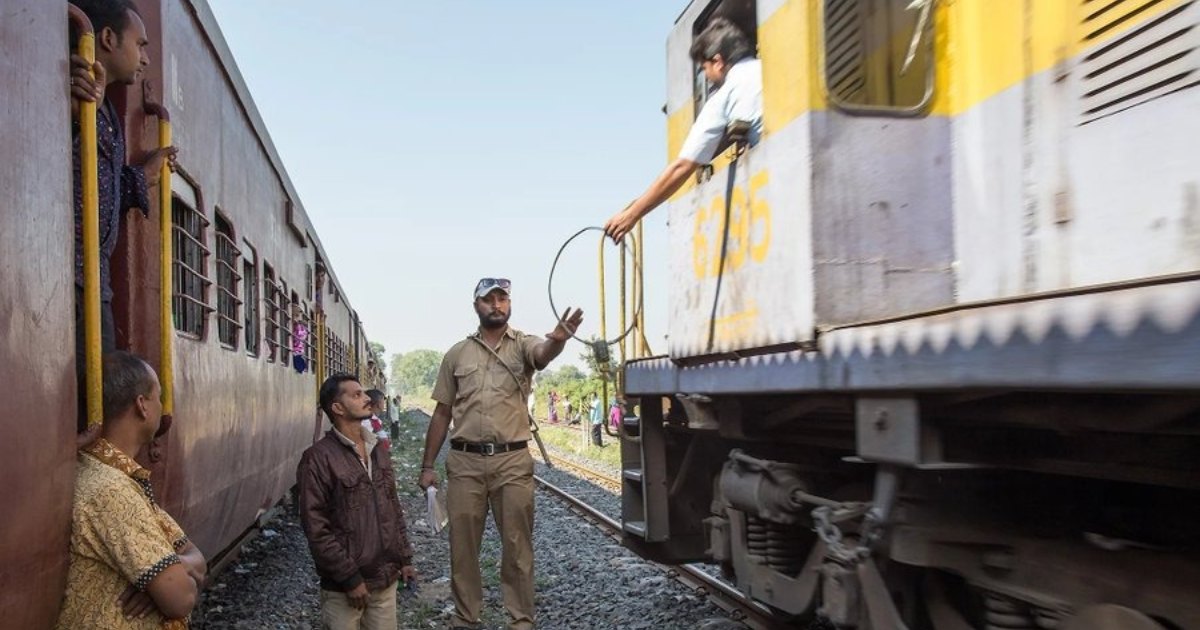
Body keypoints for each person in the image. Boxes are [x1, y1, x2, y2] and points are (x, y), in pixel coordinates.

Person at [418, 278, 583, 630]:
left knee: (517, 549)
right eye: (489, 300)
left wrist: (557, 342)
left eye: (502, 299)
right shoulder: (457, 354)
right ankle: (466, 619)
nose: (497, 305)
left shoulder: (523, 345)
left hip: (512, 461)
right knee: (463, 549)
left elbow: (541, 356)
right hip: (464, 462)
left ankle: (520, 621)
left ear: (509, 304)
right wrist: (427, 465)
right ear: (476, 305)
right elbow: (442, 413)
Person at [70, 0, 176, 434]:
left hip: (94, 284)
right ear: (108, 40)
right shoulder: (71, 85)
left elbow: (96, 183)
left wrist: (145, 175)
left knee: (96, 401)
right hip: (69, 279)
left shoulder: (108, 113)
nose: (146, 57)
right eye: (141, 44)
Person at [56, 352, 205, 629]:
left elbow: (197, 559)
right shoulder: (111, 490)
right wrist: (166, 580)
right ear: (142, 406)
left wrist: (159, 577)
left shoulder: (116, 478)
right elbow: (181, 597)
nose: (162, 406)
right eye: (158, 396)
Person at [604, 17, 762, 242]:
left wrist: (632, 214)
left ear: (718, 61)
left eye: (704, 69)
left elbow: (683, 166)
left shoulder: (726, 94)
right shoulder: (767, 69)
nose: (706, 77)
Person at [298, 374, 417, 630]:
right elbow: (316, 528)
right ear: (337, 408)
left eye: (364, 393)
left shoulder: (378, 449)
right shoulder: (317, 459)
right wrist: (349, 578)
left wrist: (404, 558)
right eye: (356, 395)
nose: (366, 399)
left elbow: (392, 506)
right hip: (344, 589)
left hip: (385, 580)